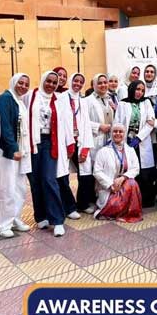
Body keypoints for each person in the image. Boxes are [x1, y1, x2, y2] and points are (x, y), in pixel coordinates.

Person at [24, 71, 75, 237]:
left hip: (50, 142)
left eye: (54, 82)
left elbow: (67, 122)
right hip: (32, 142)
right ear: (42, 80)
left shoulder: (60, 100)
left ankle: (58, 220)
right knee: (35, 180)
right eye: (48, 81)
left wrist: (70, 144)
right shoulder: (31, 96)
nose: (51, 85)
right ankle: (41, 216)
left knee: (49, 179)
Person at [0, 73, 32, 237]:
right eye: (20, 83)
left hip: (20, 152)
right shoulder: (5, 99)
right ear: (13, 82)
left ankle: (15, 218)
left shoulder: (19, 101)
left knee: (19, 188)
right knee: (7, 189)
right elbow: (4, 126)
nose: (23, 86)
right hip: (8, 153)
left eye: (26, 84)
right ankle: (3, 224)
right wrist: (12, 148)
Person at [115, 80, 156, 207]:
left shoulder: (146, 102)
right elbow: (117, 122)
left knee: (145, 173)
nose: (140, 92)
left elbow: (150, 122)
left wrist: (138, 138)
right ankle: (131, 200)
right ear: (132, 89)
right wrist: (124, 138)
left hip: (142, 142)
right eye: (138, 89)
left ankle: (146, 200)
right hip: (127, 142)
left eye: (142, 90)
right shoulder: (123, 103)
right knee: (130, 170)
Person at [93, 123, 142, 222]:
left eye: (121, 132)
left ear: (125, 134)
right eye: (115, 131)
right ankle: (114, 211)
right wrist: (111, 185)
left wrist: (123, 177)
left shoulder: (130, 150)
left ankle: (129, 213)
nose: (118, 134)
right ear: (111, 134)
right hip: (110, 189)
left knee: (132, 183)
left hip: (126, 185)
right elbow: (97, 171)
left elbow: (136, 168)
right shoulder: (103, 151)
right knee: (114, 204)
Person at [62, 73, 95, 216]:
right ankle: (67, 206)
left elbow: (86, 124)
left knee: (86, 175)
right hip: (64, 143)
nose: (78, 84)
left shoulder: (83, 101)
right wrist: (68, 143)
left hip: (80, 141)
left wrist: (86, 148)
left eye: (81, 82)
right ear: (71, 81)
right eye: (76, 80)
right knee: (63, 176)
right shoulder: (62, 99)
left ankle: (82, 204)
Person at [86, 74, 115, 177]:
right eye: (99, 83)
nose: (103, 85)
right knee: (96, 170)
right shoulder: (87, 101)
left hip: (109, 139)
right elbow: (83, 122)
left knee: (108, 169)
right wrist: (99, 126)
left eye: (105, 82)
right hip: (95, 139)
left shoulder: (110, 99)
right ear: (94, 85)